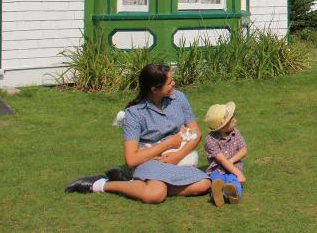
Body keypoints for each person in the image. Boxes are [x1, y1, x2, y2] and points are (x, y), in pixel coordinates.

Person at [65, 64, 210, 202]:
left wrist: (178, 155)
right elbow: (131, 159)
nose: (174, 84)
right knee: (156, 195)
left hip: (178, 155)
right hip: (149, 160)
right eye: (169, 83)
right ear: (154, 89)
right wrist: (167, 144)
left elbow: (196, 132)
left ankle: (134, 184)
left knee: (204, 184)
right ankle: (101, 184)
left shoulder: (178, 98)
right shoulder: (134, 113)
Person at [204, 101, 247, 207]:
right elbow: (222, 160)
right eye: (232, 120)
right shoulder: (210, 139)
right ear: (222, 127)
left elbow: (243, 150)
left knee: (233, 180)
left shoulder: (235, 132)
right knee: (217, 180)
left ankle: (233, 194)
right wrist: (239, 174)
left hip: (234, 166)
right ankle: (218, 195)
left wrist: (232, 162)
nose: (235, 121)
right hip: (217, 168)